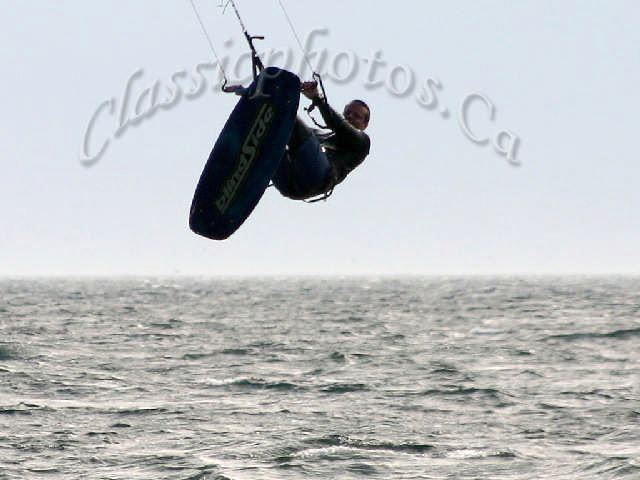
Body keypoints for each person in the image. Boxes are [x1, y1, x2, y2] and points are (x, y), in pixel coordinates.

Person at [225, 79, 371, 200]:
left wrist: (317, 98)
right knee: (273, 132)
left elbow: (338, 125)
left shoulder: (362, 143)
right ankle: (239, 176)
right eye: (348, 113)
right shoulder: (324, 136)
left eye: (357, 116)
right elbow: (289, 127)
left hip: (318, 178)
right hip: (290, 186)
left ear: (364, 125)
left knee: (287, 116)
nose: (350, 116)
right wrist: (247, 93)